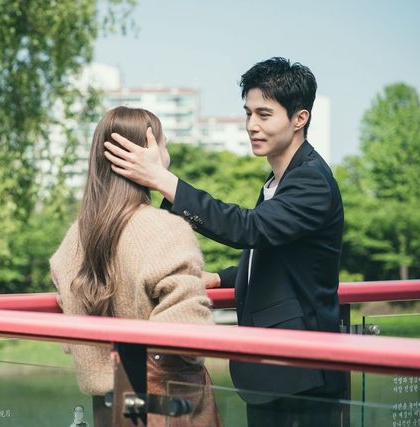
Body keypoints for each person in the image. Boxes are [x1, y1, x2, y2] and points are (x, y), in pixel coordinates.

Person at [102, 57, 347, 426]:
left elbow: (248, 229)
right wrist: (221, 278)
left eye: (264, 115)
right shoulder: (278, 181)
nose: (251, 125)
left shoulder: (310, 180)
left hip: (303, 372)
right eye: (248, 113)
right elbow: (276, 256)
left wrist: (163, 181)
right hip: (279, 370)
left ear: (300, 118)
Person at [50, 106, 223, 427]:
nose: (167, 151)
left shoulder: (73, 240)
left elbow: (70, 330)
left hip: (107, 407)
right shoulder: (164, 229)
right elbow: (190, 334)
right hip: (165, 409)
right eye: (164, 142)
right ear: (149, 148)